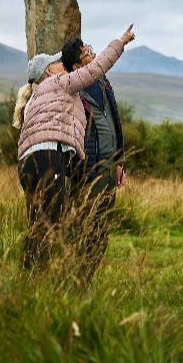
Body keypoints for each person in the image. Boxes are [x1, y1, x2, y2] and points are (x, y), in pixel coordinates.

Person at [12, 24, 135, 269]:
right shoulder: (62, 84)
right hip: (57, 159)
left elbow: (113, 120)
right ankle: (41, 279)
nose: (62, 66)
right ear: (49, 71)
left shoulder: (38, 97)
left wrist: (119, 160)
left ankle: (35, 279)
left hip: (29, 162)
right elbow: (98, 66)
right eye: (58, 63)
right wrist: (121, 41)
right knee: (53, 223)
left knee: (43, 220)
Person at [60, 37, 126, 272]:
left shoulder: (103, 81)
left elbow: (115, 122)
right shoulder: (73, 90)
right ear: (77, 67)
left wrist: (119, 161)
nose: (93, 54)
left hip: (109, 167)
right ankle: (76, 275)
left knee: (103, 225)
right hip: (89, 170)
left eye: (90, 49)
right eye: (87, 54)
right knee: (85, 224)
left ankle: (88, 275)